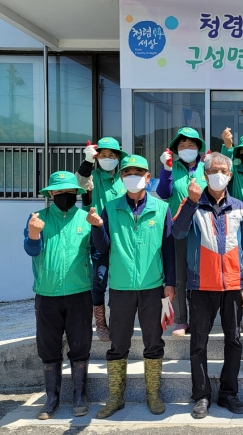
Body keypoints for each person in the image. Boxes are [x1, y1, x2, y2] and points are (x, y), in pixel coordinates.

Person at [88, 155, 175, 418]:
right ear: (122, 178)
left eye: (138, 172)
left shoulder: (161, 208)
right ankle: (116, 398)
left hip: (152, 287)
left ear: (148, 178)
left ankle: (153, 396)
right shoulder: (110, 207)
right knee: (118, 343)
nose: (132, 176)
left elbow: (168, 249)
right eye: (127, 173)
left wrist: (170, 283)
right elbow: (102, 247)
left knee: (153, 341)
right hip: (121, 287)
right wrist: (97, 227)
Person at [172, 152, 243, 419]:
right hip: (201, 286)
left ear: (230, 175)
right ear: (205, 175)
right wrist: (191, 202)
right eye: (213, 171)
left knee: (234, 341)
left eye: (223, 171)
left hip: (232, 285)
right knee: (198, 343)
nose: (218, 175)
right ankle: (201, 396)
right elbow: (177, 233)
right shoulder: (192, 203)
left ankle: (229, 393)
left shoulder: (240, 207)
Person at [23, 171, 93, 419]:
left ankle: (79, 396)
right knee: (48, 348)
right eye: (60, 191)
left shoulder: (86, 218)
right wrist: (34, 233)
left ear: (77, 193)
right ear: (51, 193)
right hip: (47, 294)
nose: (65, 195)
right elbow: (31, 250)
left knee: (80, 345)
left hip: (79, 292)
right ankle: (52, 398)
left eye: (70, 192)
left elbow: (98, 251)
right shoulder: (37, 218)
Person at [76, 137, 128, 342]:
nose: (107, 158)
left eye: (111, 155)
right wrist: (87, 162)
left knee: (120, 278)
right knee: (99, 278)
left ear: (118, 158)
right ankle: (100, 320)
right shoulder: (93, 176)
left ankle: (118, 318)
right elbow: (81, 184)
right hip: (99, 235)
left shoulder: (124, 178)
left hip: (123, 236)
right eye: (103, 155)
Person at [157, 127, 208, 337]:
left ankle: (198, 317)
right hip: (177, 228)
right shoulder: (172, 167)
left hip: (203, 228)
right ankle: (180, 320)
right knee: (178, 275)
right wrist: (166, 169)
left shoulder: (206, 167)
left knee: (199, 274)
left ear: (198, 147)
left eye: (191, 144)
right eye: (182, 145)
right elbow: (163, 193)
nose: (187, 148)